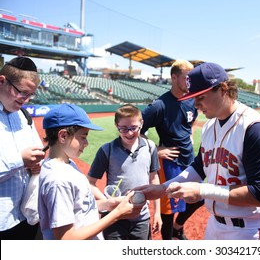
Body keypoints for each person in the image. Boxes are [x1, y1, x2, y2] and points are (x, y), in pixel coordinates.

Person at [136, 62, 260, 240]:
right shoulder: (210, 126)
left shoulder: (255, 129)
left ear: (223, 89)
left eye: (201, 97)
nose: (195, 104)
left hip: (248, 231)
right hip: (215, 226)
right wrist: (163, 188)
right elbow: (199, 167)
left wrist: (202, 191)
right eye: (193, 98)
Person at [38, 103, 144, 240]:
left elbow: (80, 208)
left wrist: (107, 205)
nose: (86, 143)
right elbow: (66, 238)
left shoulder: (66, 164)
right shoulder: (58, 180)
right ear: (63, 136)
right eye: (83, 137)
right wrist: (117, 214)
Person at [140, 59, 204, 240]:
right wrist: (156, 149)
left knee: (199, 198)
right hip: (169, 163)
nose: (190, 82)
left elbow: (193, 119)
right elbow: (137, 130)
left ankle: (178, 228)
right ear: (174, 77)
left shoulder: (191, 100)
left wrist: (191, 134)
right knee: (169, 212)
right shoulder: (159, 105)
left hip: (189, 159)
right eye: (186, 78)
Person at [87, 104, 162, 240]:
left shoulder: (150, 147)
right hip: (114, 218)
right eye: (123, 129)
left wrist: (157, 212)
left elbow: (154, 179)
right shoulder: (107, 150)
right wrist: (108, 202)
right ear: (117, 126)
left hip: (141, 218)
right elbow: (90, 183)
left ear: (141, 123)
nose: (129, 133)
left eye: (133, 128)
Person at [0, 56, 46, 240]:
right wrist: (20, 160)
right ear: (2, 81)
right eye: (22, 93)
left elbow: (36, 152)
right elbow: (21, 159)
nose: (26, 100)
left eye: (30, 95)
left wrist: (35, 164)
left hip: (27, 218)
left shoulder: (24, 116)